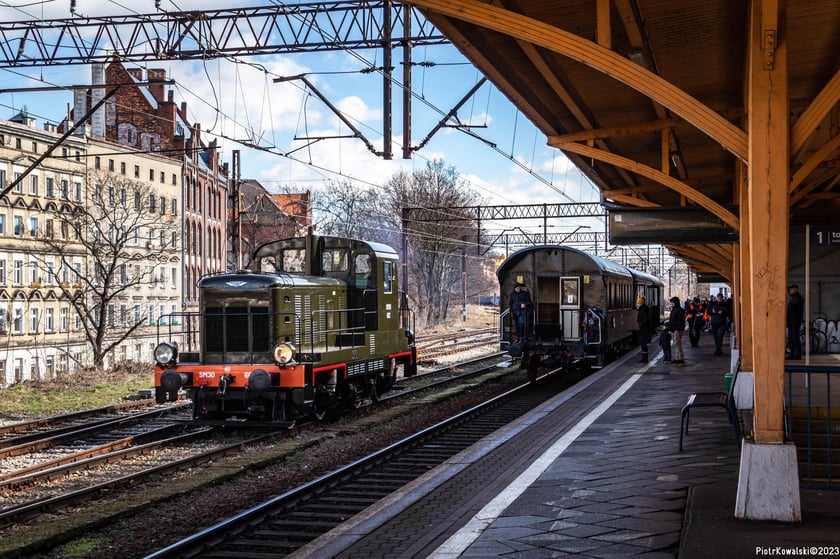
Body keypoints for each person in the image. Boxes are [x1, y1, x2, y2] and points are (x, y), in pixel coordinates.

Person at [787, 284, 805, 359]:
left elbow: (796, 311)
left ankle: (796, 354)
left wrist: (794, 320)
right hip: (792, 322)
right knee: (792, 338)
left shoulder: (798, 298)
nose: (791, 290)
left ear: (796, 289)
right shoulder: (794, 298)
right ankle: (793, 354)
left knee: (794, 338)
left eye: (792, 289)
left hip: (794, 322)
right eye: (790, 289)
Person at [668, 296, 686, 364]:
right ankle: (677, 357)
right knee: (676, 344)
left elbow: (680, 321)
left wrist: (677, 329)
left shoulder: (678, 310)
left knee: (677, 344)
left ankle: (680, 358)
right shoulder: (675, 310)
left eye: (672, 303)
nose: (671, 304)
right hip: (675, 329)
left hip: (677, 330)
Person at [636, 296, 651, 363]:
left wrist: (640, 324)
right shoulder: (643, 309)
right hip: (644, 328)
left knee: (643, 343)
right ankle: (644, 358)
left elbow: (645, 319)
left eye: (638, 303)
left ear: (641, 303)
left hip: (644, 329)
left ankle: (644, 358)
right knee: (643, 343)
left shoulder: (643, 309)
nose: (637, 304)